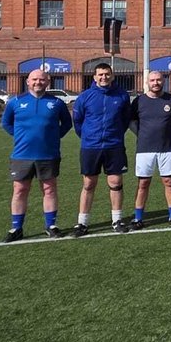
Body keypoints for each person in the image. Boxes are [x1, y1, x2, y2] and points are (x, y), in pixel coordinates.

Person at [1, 68, 72, 241]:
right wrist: (21, 138)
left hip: (48, 155)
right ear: (27, 81)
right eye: (34, 79)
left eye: (41, 79)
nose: (37, 82)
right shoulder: (15, 102)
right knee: (19, 190)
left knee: (49, 189)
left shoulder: (56, 103)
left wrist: (53, 137)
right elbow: (6, 123)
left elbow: (67, 124)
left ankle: (51, 225)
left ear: (48, 82)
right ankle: (16, 228)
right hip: (21, 155)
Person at [71, 62, 133, 236]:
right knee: (89, 183)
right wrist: (88, 136)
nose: (104, 77)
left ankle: (117, 220)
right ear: (94, 77)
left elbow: (125, 119)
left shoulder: (121, 96)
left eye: (107, 74)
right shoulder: (85, 97)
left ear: (112, 76)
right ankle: (82, 223)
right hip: (91, 146)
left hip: (114, 145)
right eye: (100, 74)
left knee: (115, 183)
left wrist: (116, 135)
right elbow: (78, 122)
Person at [129, 71, 171, 230]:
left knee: (169, 181)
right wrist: (142, 135)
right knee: (143, 183)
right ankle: (138, 218)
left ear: (163, 81)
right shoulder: (139, 101)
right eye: (152, 80)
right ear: (147, 82)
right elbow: (132, 122)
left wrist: (169, 134)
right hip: (145, 149)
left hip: (168, 148)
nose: (156, 83)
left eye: (158, 80)